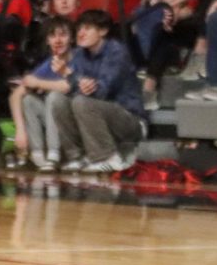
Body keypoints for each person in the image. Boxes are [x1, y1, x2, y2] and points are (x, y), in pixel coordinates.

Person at [49, 9, 145, 173]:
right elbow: (76, 91)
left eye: (87, 28)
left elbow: (102, 92)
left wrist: (69, 75)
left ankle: (109, 158)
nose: (81, 33)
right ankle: (78, 156)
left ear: (103, 30)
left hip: (129, 119)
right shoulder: (79, 54)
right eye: (79, 29)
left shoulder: (117, 52)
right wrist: (74, 80)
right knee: (56, 98)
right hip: (96, 115)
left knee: (82, 102)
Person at [10, 15, 74, 171]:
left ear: (72, 38)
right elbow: (15, 96)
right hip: (57, 124)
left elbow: (67, 86)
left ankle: (54, 155)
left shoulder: (79, 58)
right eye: (53, 36)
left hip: (77, 124)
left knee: (53, 96)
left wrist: (38, 83)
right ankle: (37, 155)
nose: (58, 40)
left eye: (63, 35)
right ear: (47, 41)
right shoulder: (48, 64)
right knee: (28, 100)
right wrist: (20, 131)